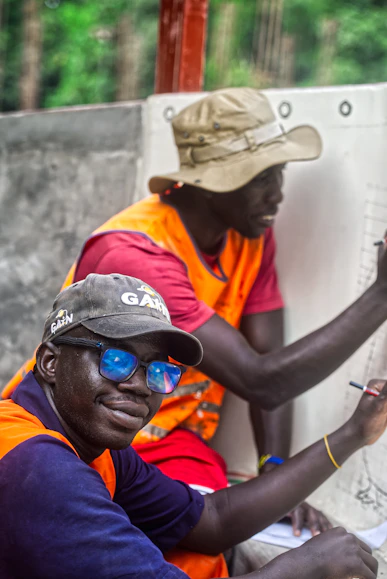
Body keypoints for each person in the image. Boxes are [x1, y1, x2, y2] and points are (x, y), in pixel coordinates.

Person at [4, 88, 387, 535]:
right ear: (212, 184)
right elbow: (263, 380)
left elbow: (271, 369)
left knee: (215, 536)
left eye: (278, 174)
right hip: (92, 429)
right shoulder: (138, 251)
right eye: (262, 178)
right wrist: (380, 296)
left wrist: (274, 471)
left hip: (169, 435)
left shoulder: (250, 237)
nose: (277, 196)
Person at [1, 272, 384, 579]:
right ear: (51, 363)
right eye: (116, 359)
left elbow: (213, 519)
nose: (139, 384)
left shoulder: (91, 444)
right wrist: (306, 568)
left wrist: (354, 433)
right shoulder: (35, 465)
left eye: (159, 370)